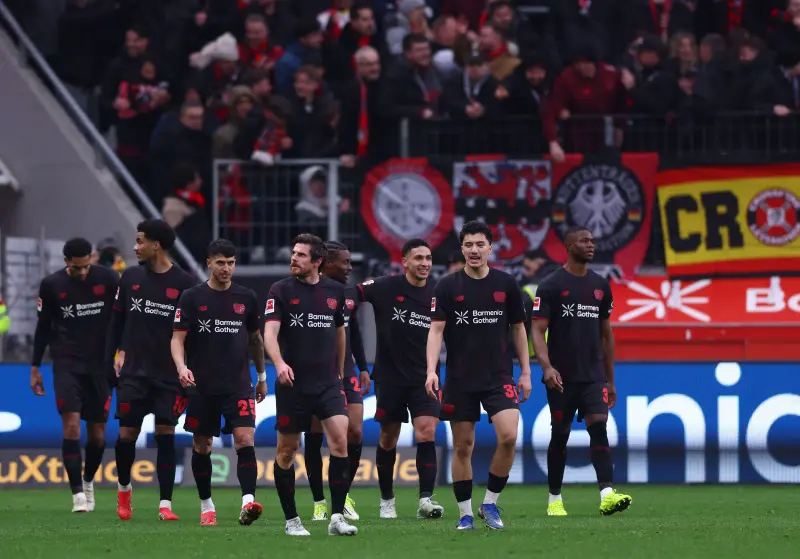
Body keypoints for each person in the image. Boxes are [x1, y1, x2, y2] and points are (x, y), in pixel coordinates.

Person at [425, 220, 532, 531]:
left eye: (480, 244)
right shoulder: (447, 286)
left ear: (490, 248)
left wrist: (526, 372)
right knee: (463, 446)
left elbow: (518, 329)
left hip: (499, 376)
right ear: (462, 249)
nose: (474, 250)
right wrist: (431, 370)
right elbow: (436, 330)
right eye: (469, 244)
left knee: (509, 437)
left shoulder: (506, 284)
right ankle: (465, 514)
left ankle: (490, 503)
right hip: (460, 379)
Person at [531, 226, 632, 517]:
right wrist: (547, 367)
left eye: (592, 241)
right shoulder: (550, 285)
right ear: (568, 246)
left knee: (598, 426)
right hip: (561, 377)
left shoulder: (600, 285)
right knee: (560, 435)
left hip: (593, 376)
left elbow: (606, 334)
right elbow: (537, 330)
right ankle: (554, 500)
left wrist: (610, 380)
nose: (590, 245)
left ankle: (607, 495)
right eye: (584, 241)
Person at [264, 233, 357, 537]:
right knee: (287, 451)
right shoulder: (280, 290)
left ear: (317, 262)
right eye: (293, 253)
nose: (294, 258)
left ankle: (337, 517)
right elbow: (269, 334)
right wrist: (279, 363)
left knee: (340, 442)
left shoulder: (335, 291)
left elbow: (340, 332)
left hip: (328, 383)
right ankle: (292, 521)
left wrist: (340, 372)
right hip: (293, 385)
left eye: (301, 255)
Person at [170, 239, 268, 526]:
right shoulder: (192, 297)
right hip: (202, 385)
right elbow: (177, 338)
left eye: (231, 263)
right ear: (209, 263)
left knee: (245, 439)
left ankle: (248, 502)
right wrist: (181, 367)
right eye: (221, 263)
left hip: (238, 384)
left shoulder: (246, 297)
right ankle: (207, 506)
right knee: (202, 446)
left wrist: (262, 377)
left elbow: (255, 340)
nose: (226, 268)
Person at [106, 219, 197, 521]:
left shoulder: (184, 283)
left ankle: (165, 505)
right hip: (133, 372)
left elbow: (191, 334)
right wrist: (109, 360)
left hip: (168, 375)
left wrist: (188, 369)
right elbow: (116, 323)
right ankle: (124, 490)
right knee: (126, 435)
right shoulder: (130, 278)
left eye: (140, 241)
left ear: (156, 245)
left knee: (165, 434)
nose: (135, 247)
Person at [30, 237, 119, 512]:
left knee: (98, 437)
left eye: (85, 266)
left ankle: (88, 480)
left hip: (101, 367)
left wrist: (123, 352)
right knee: (70, 426)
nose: (82, 272)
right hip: (67, 364)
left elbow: (122, 318)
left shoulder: (108, 279)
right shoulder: (51, 285)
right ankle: (77, 494)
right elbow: (43, 327)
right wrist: (35, 367)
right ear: (66, 262)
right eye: (76, 267)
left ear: (91, 259)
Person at [358, 238, 443, 520]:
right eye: (418, 258)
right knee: (388, 438)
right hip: (390, 377)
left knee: (427, 432)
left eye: (428, 258)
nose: (425, 263)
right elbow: (352, 294)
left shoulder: (438, 293)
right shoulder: (385, 286)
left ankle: (425, 500)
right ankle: (387, 500)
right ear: (405, 262)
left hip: (425, 377)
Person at [305, 241, 369, 522]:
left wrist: (363, 367)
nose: (349, 268)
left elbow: (354, 332)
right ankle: (319, 501)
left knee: (354, 432)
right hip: (316, 372)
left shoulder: (349, 293)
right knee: (315, 435)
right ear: (327, 263)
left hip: (346, 371)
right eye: (345, 262)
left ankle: (343, 497)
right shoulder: (307, 290)